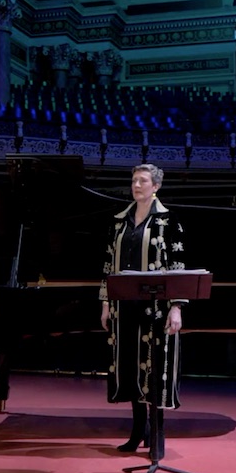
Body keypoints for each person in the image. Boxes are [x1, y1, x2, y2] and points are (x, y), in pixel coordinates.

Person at [100, 163, 187, 453]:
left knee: (154, 368)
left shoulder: (168, 220)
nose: (136, 185)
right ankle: (139, 430)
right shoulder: (119, 221)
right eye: (134, 180)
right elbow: (108, 265)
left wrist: (176, 307)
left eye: (143, 181)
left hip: (156, 309)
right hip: (123, 307)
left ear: (156, 187)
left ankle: (157, 435)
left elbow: (178, 266)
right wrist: (105, 303)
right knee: (130, 368)